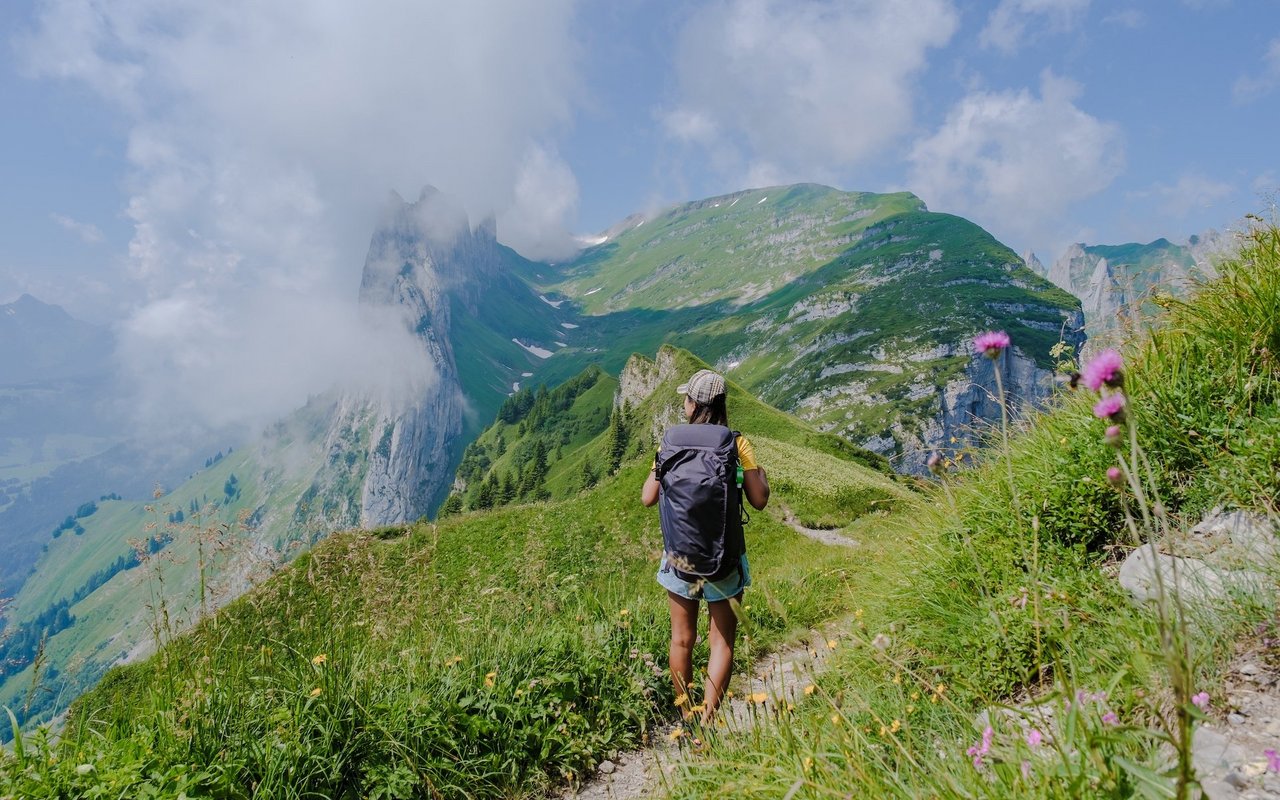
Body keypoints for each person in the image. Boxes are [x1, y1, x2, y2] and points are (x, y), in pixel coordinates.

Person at [641, 369, 769, 725]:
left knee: (681, 640)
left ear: (694, 404)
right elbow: (758, 500)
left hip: (679, 558)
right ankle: (708, 722)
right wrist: (760, 475)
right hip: (724, 557)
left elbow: (647, 497)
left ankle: (685, 715)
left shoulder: (669, 442)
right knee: (721, 642)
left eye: (686, 399)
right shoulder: (736, 443)